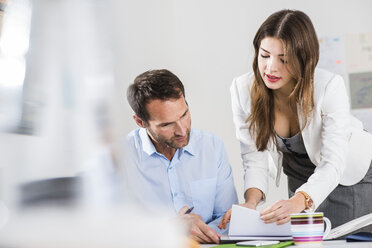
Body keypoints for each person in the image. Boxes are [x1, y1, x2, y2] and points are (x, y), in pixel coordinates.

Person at [218, 9, 372, 233]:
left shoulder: (329, 87)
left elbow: (332, 163)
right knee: (302, 239)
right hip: (300, 175)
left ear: (303, 59)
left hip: (348, 172)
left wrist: (298, 201)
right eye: (264, 55)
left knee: (340, 238)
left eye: (284, 59)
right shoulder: (242, 89)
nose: (271, 67)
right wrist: (250, 204)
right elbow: (254, 156)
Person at [125, 69, 238, 244]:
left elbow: (228, 218)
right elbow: (116, 228)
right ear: (140, 122)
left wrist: (196, 234)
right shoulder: (123, 158)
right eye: (167, 124)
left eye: (184, 115)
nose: (181, 130)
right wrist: (173, 231)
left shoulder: (212, 147)